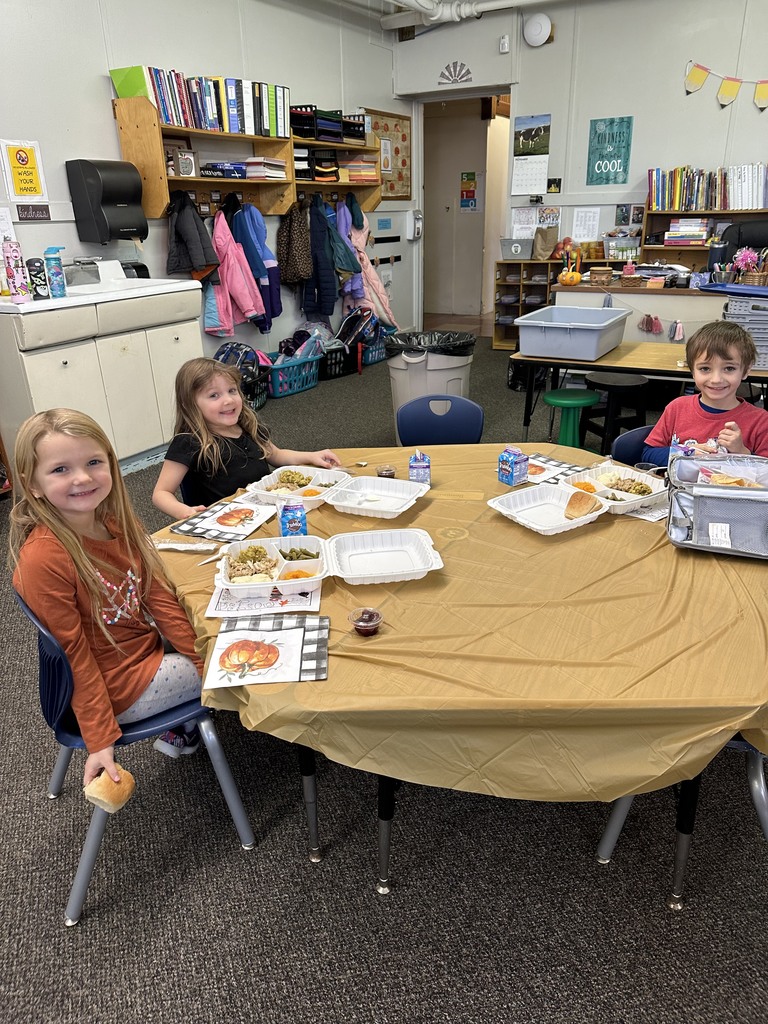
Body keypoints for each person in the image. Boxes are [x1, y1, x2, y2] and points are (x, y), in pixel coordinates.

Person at [9, 409, 206, 788]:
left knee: (217, 637)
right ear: (31, 484)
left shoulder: (109, 519)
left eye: (94, 462)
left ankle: (185, 724)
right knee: (245, 668)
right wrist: (99, 738)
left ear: (112, 465)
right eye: (60, 469)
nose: (83, 478)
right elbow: (75, 654)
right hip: (120, 687)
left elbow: (157, 597)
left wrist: (199, 652)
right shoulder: (45, 557)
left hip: (138, 651)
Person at [152, 357, 340, 520]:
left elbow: (276, 454)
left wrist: (311, 456)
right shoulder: (189, 442)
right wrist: (185, 512)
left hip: (266, 511)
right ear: (189, 404)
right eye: (214, 395)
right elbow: (161, 493)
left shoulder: (247, 426)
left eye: (232, 391)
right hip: (228, 522)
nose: (228, 400)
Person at [642, 321, 768, 466]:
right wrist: (684, 453)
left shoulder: (761, 421)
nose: (716, 380)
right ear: (692, 371)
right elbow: (648, 453)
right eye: (705, 369)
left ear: (746, 370)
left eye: (729, 368)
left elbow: (764, 475)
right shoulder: (676, 408)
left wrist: (741, 452)